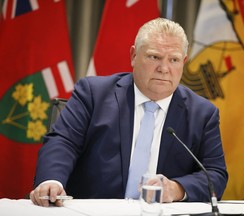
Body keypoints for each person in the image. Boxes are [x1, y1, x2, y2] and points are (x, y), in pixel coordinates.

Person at [30, 18, 228, 207]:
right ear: (134, 56)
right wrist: (52, 181)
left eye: (174, 60)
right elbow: (63, 142)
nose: (164, 68)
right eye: (154, 57)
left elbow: (215, 174)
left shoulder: (202, 113)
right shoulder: (93, 94)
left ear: (184, 62)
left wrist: (176, 189)